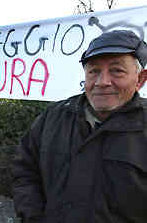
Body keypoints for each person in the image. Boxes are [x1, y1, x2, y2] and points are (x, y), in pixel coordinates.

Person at [11, 30, 147, 223]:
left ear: (140, 79)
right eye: (94, 71)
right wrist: (33, 215)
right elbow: (24, 169)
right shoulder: (54, 116)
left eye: (117, 71)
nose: (102, 82)